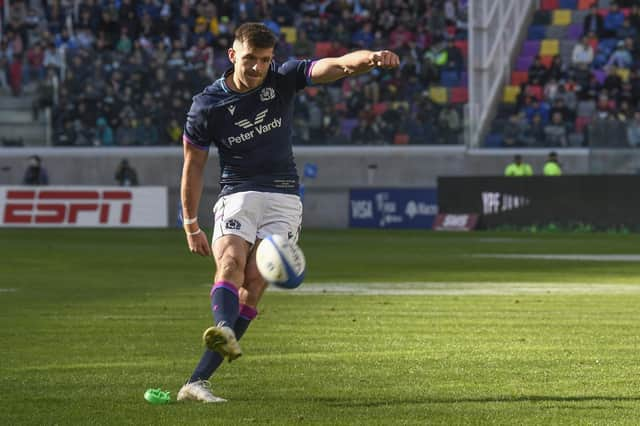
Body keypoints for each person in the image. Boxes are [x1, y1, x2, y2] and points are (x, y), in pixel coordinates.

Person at [177, 22, 399, 403]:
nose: (257, 68)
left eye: (264, 60)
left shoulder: (282, 78)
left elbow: (337, 66)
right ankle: (224, 329)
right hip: (239, 192)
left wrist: (372, 59)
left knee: (254, 286)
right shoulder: (207, 105)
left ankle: (196, 383)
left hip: (283, 199)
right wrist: (190, 223)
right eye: (250, 59)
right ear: (233, 56)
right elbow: (193, 165)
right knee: (230, 262)